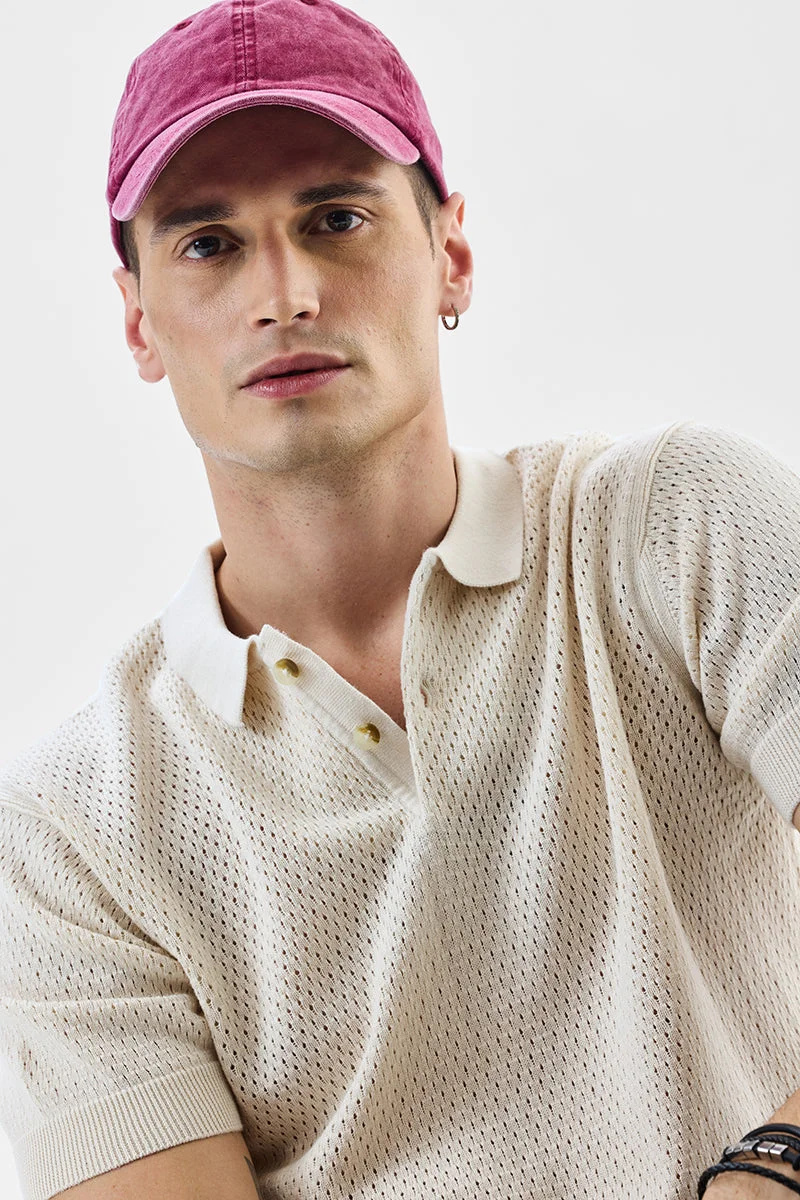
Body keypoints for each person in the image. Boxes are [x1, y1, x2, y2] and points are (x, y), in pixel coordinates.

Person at [1, 2, 800, 1198]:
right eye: (209, 244)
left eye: (336, 218)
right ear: (137, 320)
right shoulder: (72, 828)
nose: (285, 294)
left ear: (451, 257)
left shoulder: (675, 529)